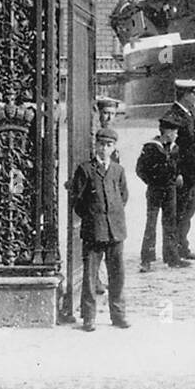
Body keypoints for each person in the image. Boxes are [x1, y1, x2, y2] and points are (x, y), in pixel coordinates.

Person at [68, 126, 130, 330]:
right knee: (90, 276)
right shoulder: (85, 169)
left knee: (117, 275)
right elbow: (77, 200)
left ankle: (118, 314)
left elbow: (123, 196)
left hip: (116, 230)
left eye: (109, 145)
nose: (104, 149)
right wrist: (92, 215)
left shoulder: (118, 170)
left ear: (114, 148)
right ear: (95, 145)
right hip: (94, 230)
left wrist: (112, 215)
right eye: (101, 144)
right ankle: (89, 316)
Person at [135, 116, 187, 272]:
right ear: (167, 131)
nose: (176, 135)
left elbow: (178, 166)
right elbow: (140, 170)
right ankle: (147, 259)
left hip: (170, 191)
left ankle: (171, 257)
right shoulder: (151, 147)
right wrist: (152, 182)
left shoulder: (175, 148)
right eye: (174, 132)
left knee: (170, 224)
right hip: (155, 190)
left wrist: (177, 175)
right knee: (151, 223)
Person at [165, 78, 195, 261]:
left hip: (193, 172)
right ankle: (174, 250)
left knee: (188, 211)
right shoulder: (173, 116)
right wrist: (177, 173)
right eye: (194, 95)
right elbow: (170, 149)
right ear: (185, 95)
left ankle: (182, 246)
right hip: (183, 175)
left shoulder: (190, 114)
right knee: (179, 211)